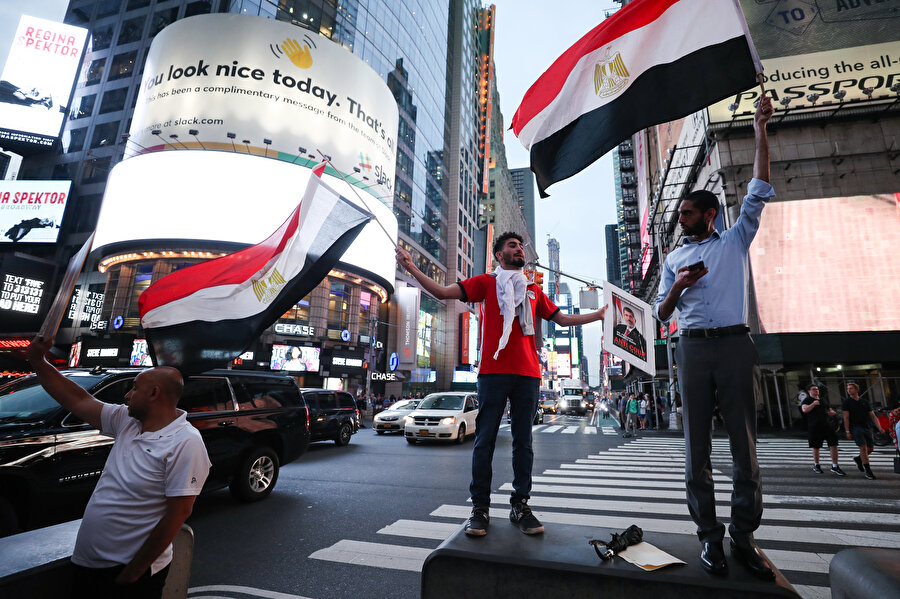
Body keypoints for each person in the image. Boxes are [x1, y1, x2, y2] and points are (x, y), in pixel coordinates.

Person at [396, 232, 606, 537]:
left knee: (524, 443)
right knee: (484, 441)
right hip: (493, 372)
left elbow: (561, 319)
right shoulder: (485, 283)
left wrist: (599, 315)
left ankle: (520, 504)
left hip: (529, 375)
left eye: (520, 246)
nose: (519, 249)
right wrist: (412, 268)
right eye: (512, 246)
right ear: (499, 255)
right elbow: (442, 293)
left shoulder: (533, 289)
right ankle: (479, 508)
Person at [654, 95, 775, 580]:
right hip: (692, 348)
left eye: (685, 213)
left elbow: (759, 187)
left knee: (744, 445)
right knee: (695, 448)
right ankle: (709, 538)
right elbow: (662, 314)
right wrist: (680, 285)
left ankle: (743, 536)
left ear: (707, 214)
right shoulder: (672, 260)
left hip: (734, 344)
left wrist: (760, 127)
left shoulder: (734, 239)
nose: (679, 220)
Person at [26, 335, 210, 599]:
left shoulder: (185, 442)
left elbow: (178, 514)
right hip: (88, 563)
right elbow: (77, 400)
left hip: (127, 575)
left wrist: (133, 573)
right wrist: (37, 361)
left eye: (134, 388)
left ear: (154, 394)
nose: (127, 395)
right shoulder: (126, 420)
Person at [841, 381, 884, 480]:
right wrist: (847, 431)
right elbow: (846, 417)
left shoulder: (864, 402)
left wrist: (879, 427)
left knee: (870, 449)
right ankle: (868, 471)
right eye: (847, 389)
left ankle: (858, 459)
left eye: (850, 388)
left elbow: (872, 416)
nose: (848, 390)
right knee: (863, 448)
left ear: (856, 390)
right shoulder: (847, 402)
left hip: (866, 427)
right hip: (855, 427)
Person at [800, 384, 844, 476]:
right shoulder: (807, 400)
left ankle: (835, 466)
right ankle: (816, 465)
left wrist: (831, 412)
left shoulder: (823, 400)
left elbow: (829, 409)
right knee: (816, 446)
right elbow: (805, 410)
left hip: (827, 426)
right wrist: (813, 404)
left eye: (817, 389)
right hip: (815, 426)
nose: (816, 391)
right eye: (814, 389)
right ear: (809, 391)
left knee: (834, 444)